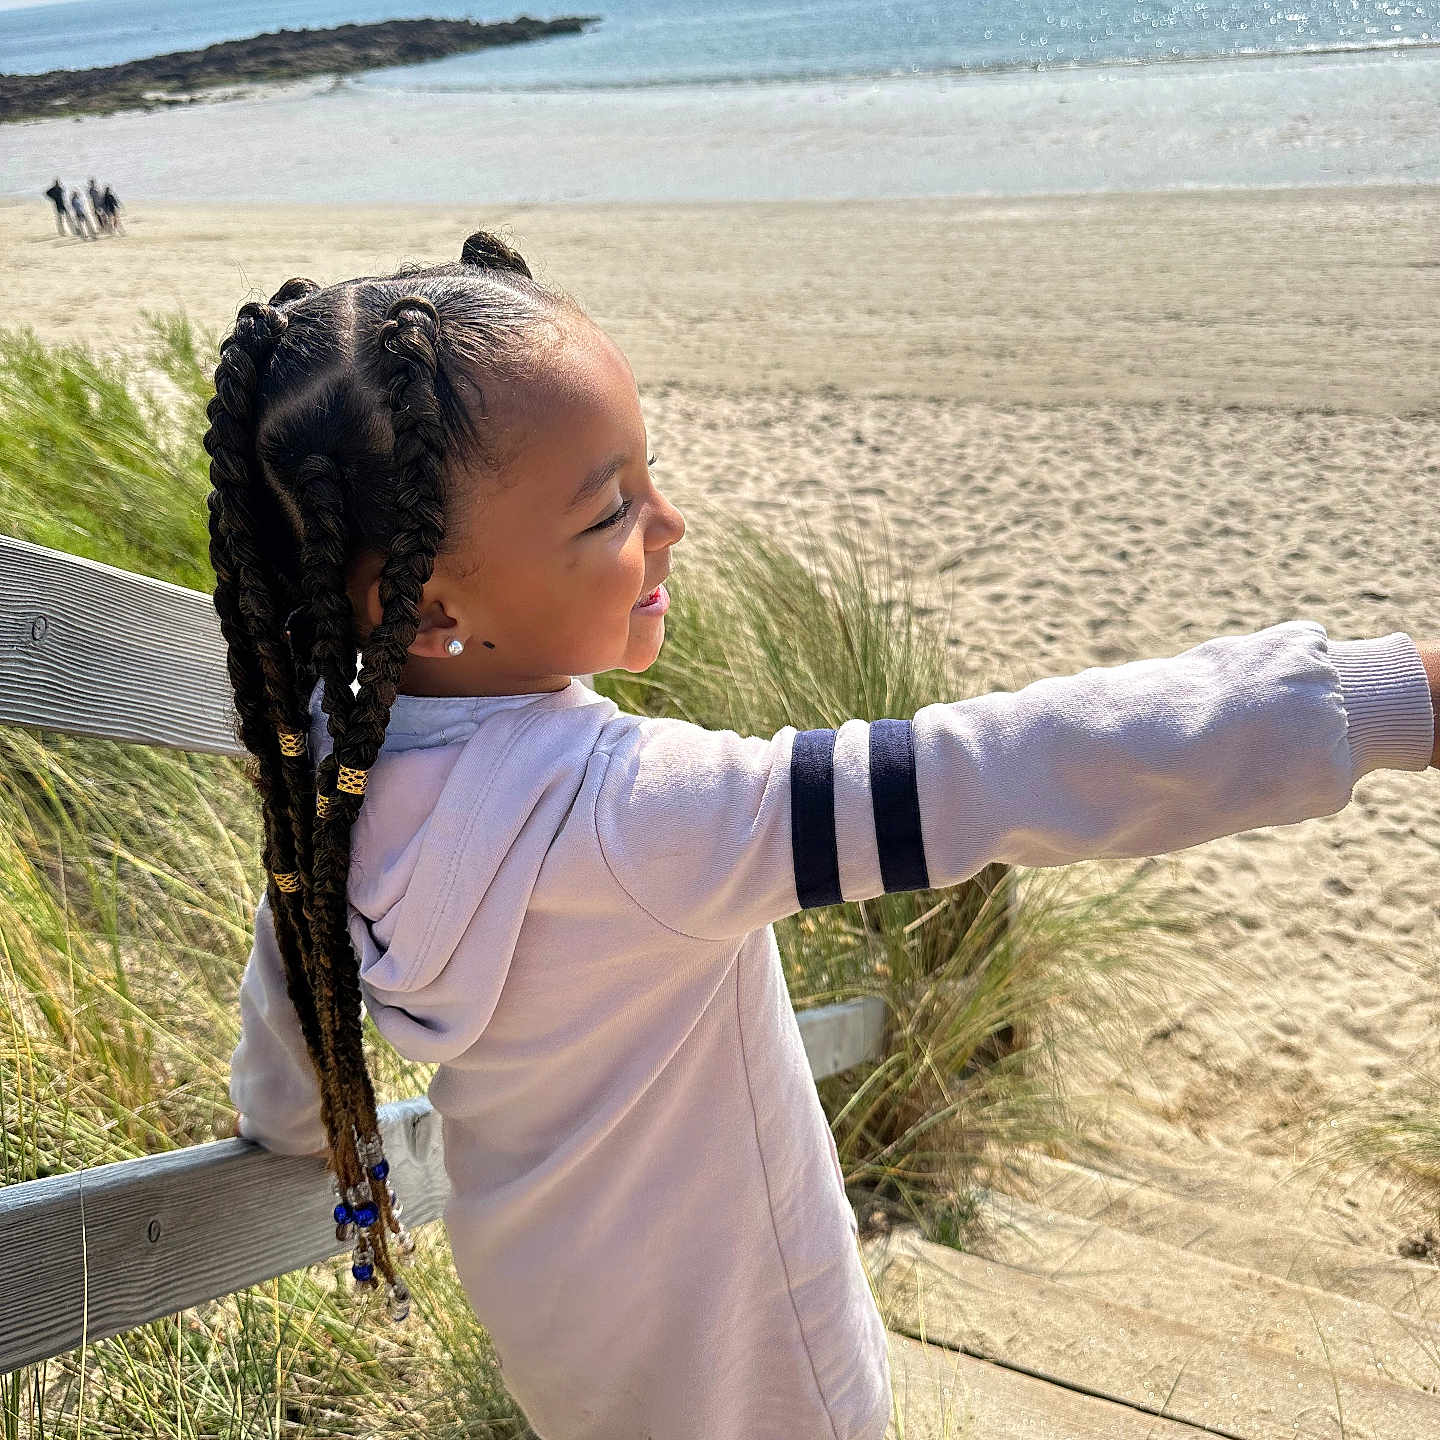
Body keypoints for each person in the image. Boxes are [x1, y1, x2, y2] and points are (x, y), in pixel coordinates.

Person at [215, 231, 1439, 1440]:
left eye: (650, 475)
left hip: (551, 1324)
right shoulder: (647, 816)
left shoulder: (328, 779)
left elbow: (292, 1010)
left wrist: (282, 1129)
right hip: (759, 1371)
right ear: (430, 607)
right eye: (613, 512)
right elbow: (1000, 769)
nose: (674, 524)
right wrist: (1395, 698)